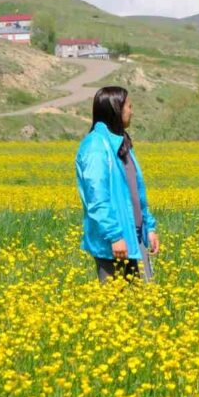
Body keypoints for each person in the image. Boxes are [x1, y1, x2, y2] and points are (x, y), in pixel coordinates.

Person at [75, 86, 159, 283]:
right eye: (129, 106)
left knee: (146, 300)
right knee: (114, 305)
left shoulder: (123, 144)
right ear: (116, 109)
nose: (132, 111)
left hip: (135, 237)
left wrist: (149, 228)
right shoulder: (95, 147)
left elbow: (137, 193)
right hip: (114, 244)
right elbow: (97, 199)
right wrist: (114, 236)